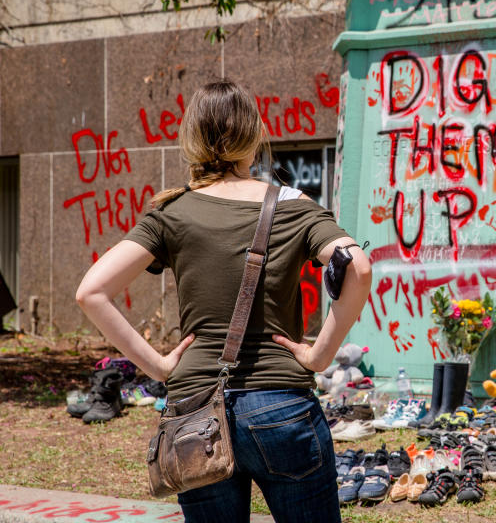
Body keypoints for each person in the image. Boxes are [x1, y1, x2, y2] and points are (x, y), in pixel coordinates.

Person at [75, 79, 371, 523]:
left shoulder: (171, 212)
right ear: (254, 138)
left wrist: (157, 366)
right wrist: (319, 354)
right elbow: (358, 267)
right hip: (281, 405)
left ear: (192, 140)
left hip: (195, 410)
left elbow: (90, 292)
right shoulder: (292, 205)